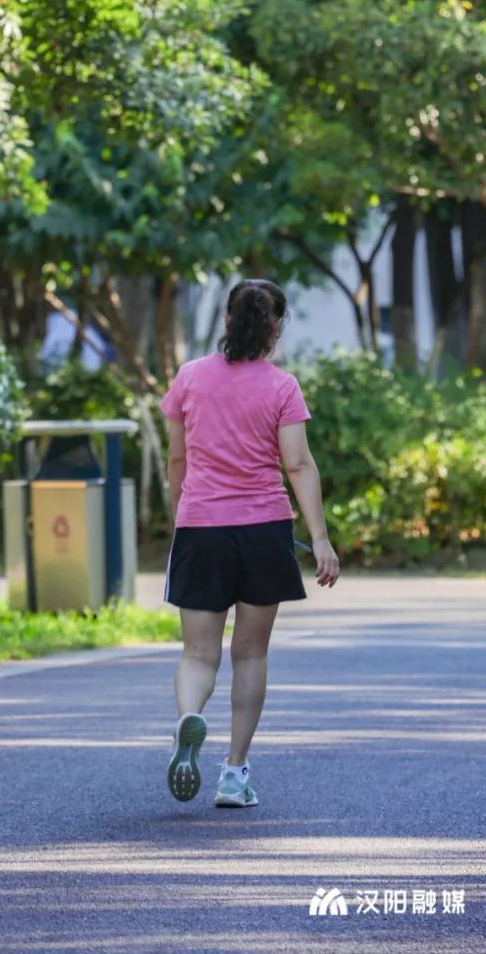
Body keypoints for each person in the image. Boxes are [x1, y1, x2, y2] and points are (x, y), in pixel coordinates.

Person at [159, 277, 339, 808]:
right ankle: (234, 773)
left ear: (226, 321)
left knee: (197, 653)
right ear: (276, 327)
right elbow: (299, 465)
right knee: (250, 653)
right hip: (263, 531)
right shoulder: (282, 387)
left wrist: (181, 522)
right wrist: (322, 540)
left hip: (202, 530)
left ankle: (190, 717)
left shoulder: (190, 378)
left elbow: (177, 460)